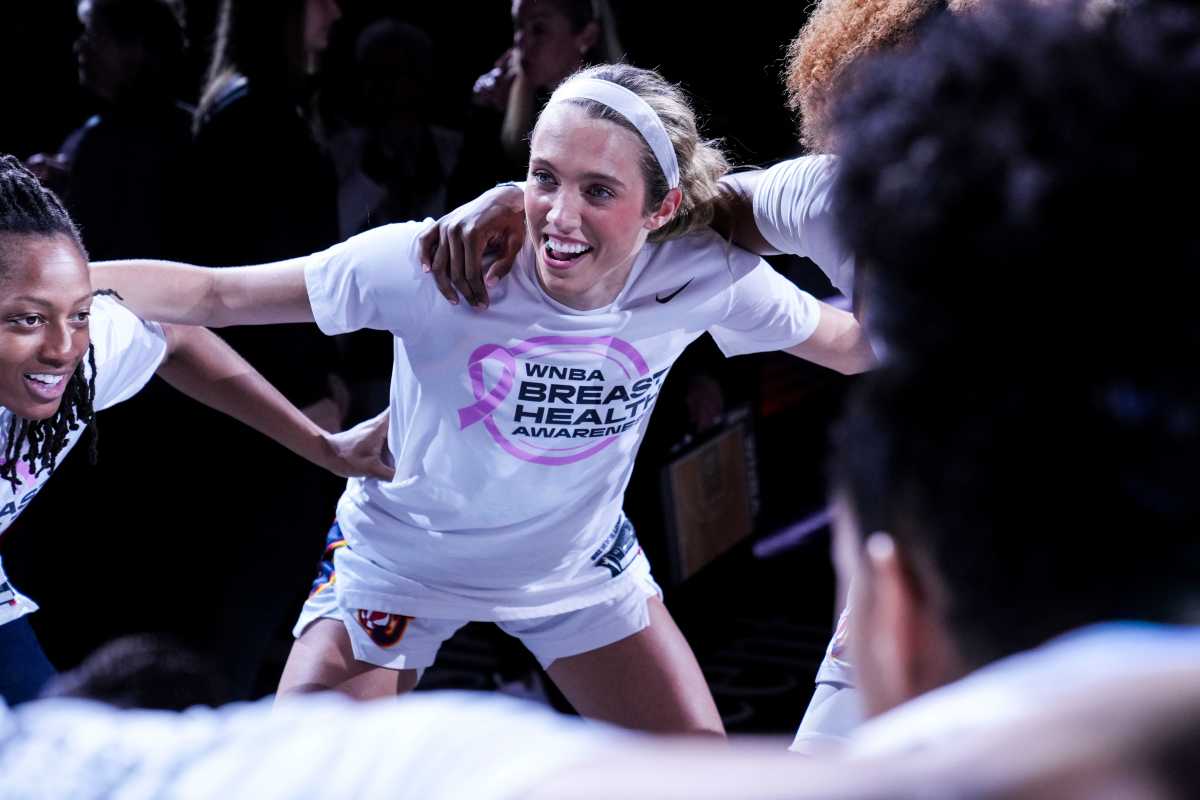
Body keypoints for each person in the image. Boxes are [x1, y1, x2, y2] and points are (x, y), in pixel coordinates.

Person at [92, 62, 875, 733]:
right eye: (543, 178)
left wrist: (946, 288)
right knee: (305, 777)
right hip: (402, 565)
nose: (559, 218)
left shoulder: (702, 274)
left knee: (700, 781)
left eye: (598, 190)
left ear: (661, 208)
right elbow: (213, 296)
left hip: (576, 572)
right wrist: (51, 282)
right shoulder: (432, 263)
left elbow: (852, 346)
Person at [0, 155, 391, 704]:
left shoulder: (74, 361)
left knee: (57, 757)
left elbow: (181, 331)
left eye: (80, 314)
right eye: (28, 320)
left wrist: (321, 445)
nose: (63, 349)